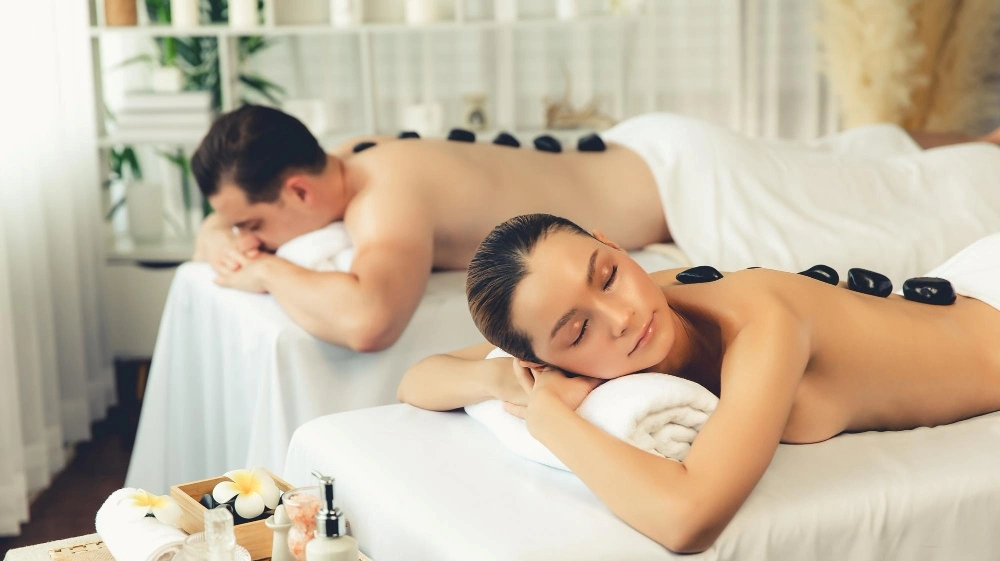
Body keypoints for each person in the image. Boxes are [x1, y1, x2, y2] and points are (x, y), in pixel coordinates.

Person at [397, 214, 1000, 554]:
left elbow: (687, 518)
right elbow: (418, 379)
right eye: (578, 331)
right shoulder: (562, 343)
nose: (622, 316)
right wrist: (501, 376)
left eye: (608, 276)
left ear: (614, 247)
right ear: (546, 358)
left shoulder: (762, 319)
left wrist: (550, 418)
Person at [191, 104, 1000, 351]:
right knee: (857, 170)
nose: (252, 239)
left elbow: (369, 320)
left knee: (897, 209)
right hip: (655, 148)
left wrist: (265, 272)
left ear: (298, 189)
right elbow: (219, 221)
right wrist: (218, 239)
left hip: (692, 191)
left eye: (257, 225)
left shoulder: (384, 202)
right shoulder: (349, 153)